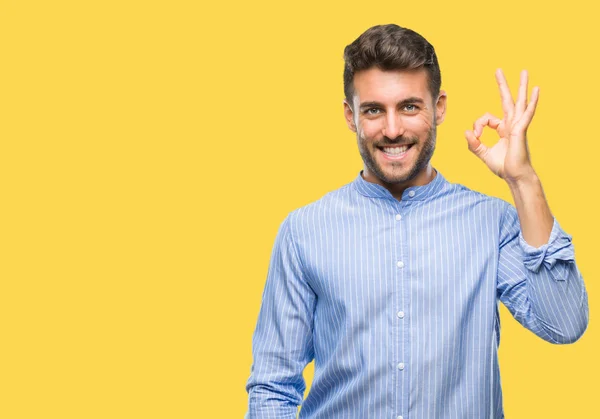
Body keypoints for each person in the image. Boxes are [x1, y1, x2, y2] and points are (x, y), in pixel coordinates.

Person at [245, 24, 589, 419]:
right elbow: (272, 386)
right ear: (350, 115)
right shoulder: (304, 232)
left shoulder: (492, 223)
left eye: (409, 106)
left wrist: (523, 180)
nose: (392, 130)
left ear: (438, 107)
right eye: (374, 110)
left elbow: (564, 324)